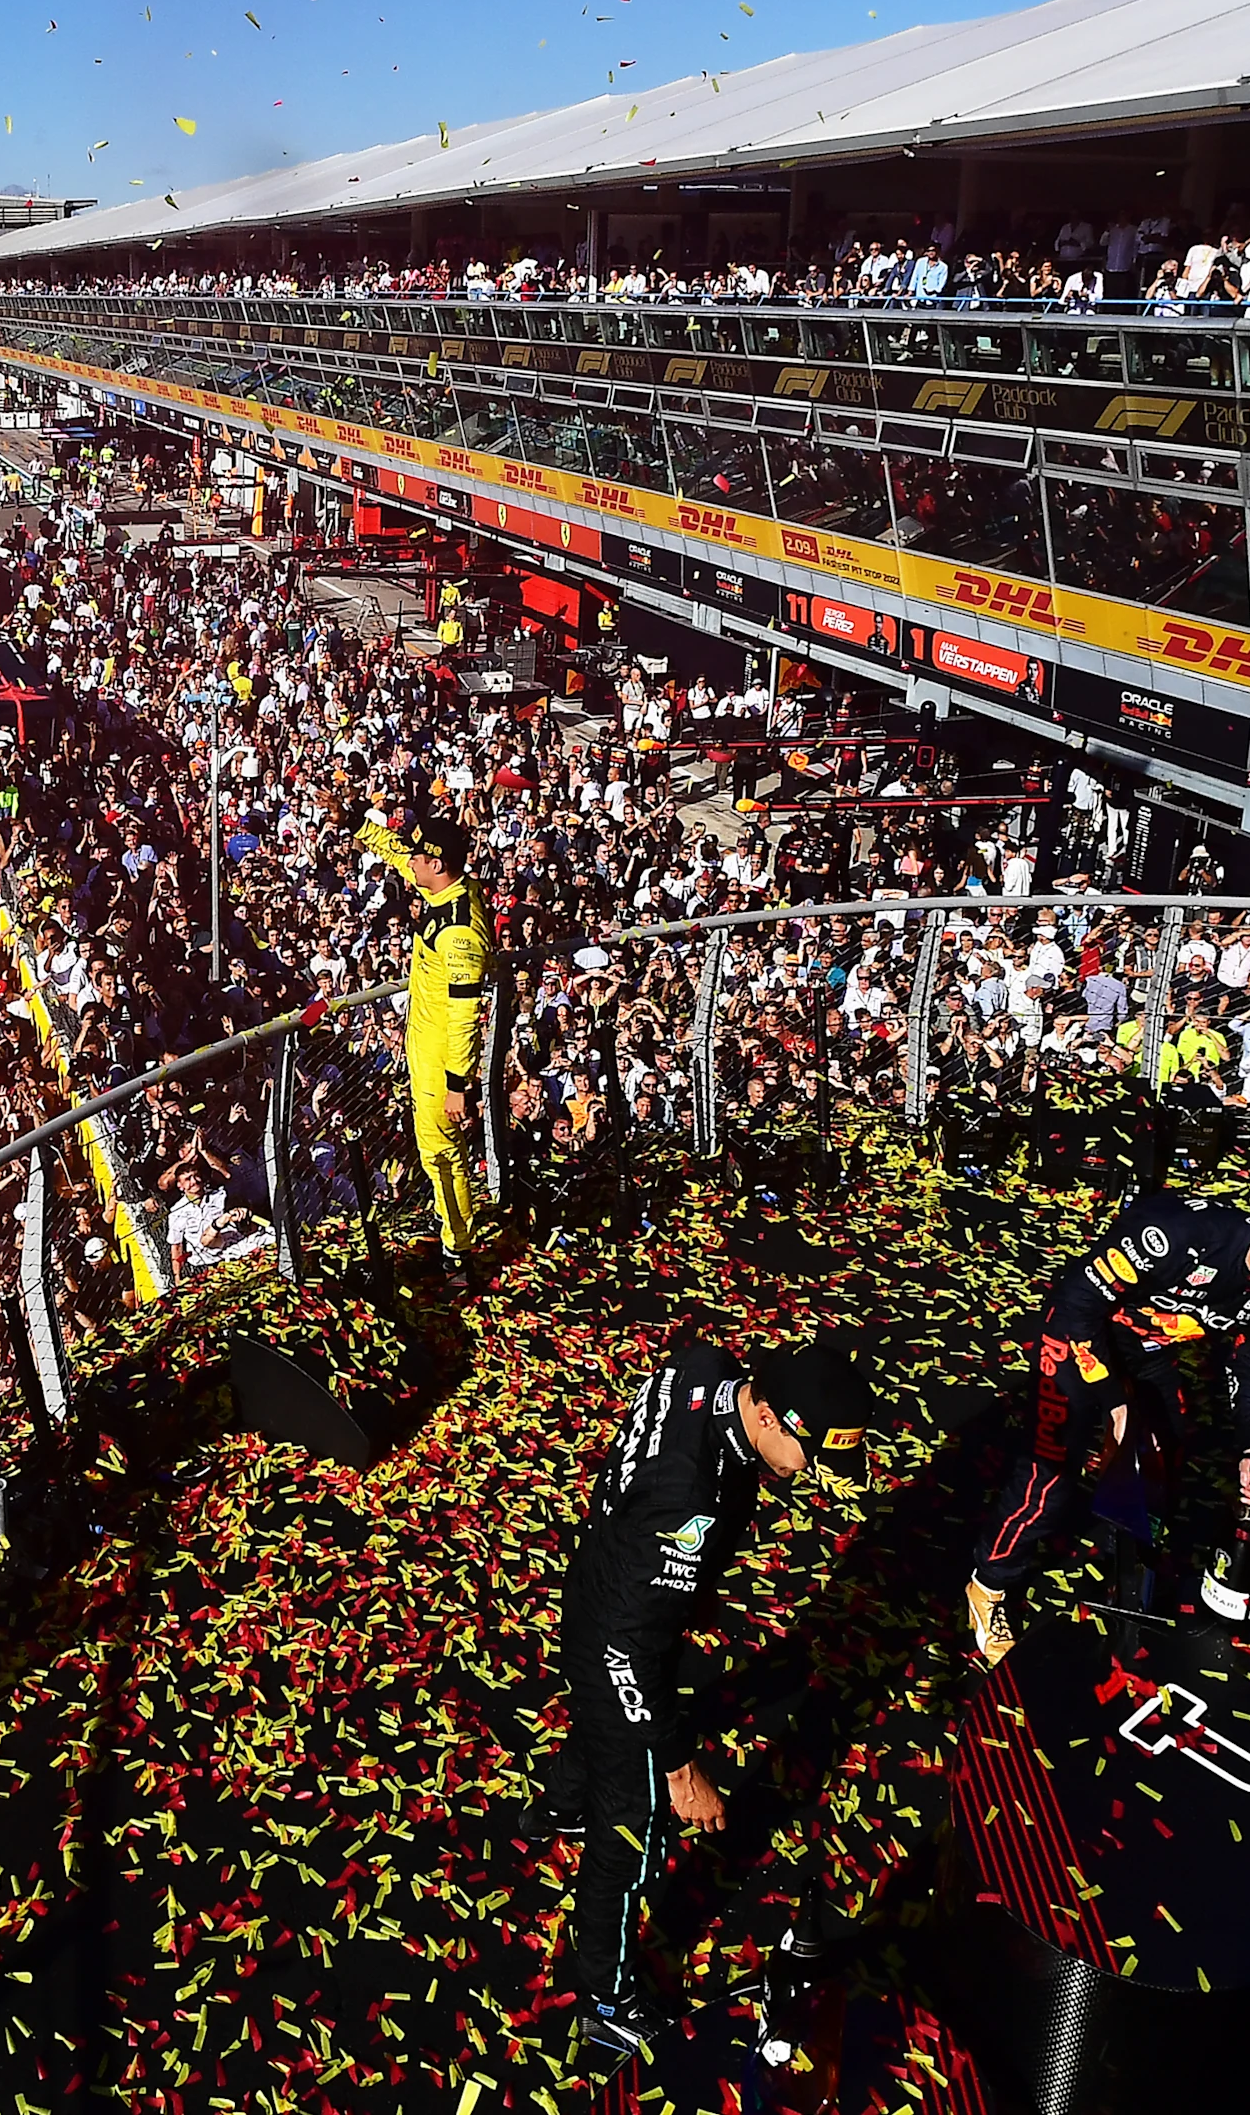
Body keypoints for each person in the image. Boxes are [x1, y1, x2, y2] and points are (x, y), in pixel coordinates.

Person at [537, 1332, 873, 2063]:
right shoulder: (691, 1498)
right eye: (810, 1456)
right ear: (769, 1420)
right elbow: (627, 1650)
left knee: (608, 1722)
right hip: (615, 1625)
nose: (811, 1475)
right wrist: (682, 1769)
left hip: (608, 1568)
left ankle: (558, 1802)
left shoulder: (710, 1367)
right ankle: (605, 1996)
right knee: (636, 1817)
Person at [965, 1198, 1250, 1666]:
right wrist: (1116, 1404)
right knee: (1051, 1471)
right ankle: (989, 1583)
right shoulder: (1178, 1234)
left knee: (1166, 1453)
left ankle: (1132, 1559)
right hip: (1078, 1339)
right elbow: (1074, 1306)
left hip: (1148, 1350)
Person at [344, 796, 496, 1274]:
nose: (408, 863)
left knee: (441, 1156)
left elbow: (465, 1015)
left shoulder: (459, 935)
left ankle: (458, 1252)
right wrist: (354, 822)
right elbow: (395, 851)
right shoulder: (446, 889)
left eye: (417, 858)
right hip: (425, 1047)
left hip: (439, 1061)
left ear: (437, 863)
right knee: (437, 1155)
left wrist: (457, 1084)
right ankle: (448, 1222)